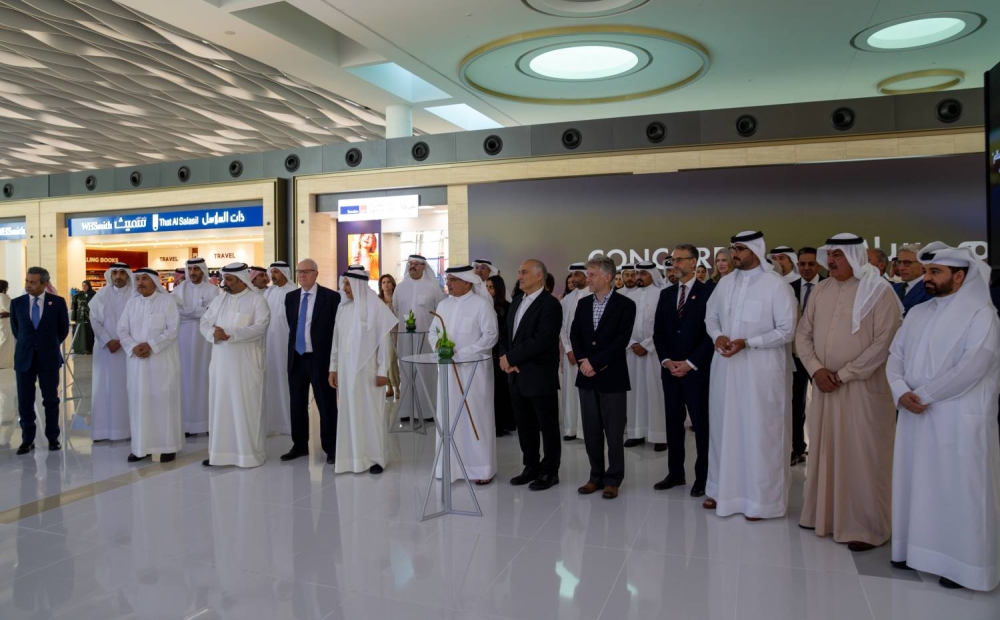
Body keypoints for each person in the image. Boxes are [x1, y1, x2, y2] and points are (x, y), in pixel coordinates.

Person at [888, 242, 1000, 591]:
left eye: (935, 272)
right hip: (914, 414)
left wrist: (924, 395)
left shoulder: (982, 314)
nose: (927, 278)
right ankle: (913, 551)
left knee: (958, 489)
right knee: (916, 484)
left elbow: (975, 365)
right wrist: (899, 390)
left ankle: (961, 566)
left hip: (957, 417)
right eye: (926, 271)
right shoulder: (919, 313)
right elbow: (895, 356)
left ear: (960, 276)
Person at [796, 233, 902, 550]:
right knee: (826, 450)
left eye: (838, 255)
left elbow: (884, 343)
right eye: (830, 255)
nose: (831, 261)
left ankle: (867, 527)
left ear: (855, 256)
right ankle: (823, 516)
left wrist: (843, 374)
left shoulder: (879, 291)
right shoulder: (821, 290)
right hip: (825, 386)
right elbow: (803, 334)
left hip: (863, 389)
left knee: (863, 456)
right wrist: (816, 369)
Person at [703, 231, 796, 520]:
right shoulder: (725, 283)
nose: (734, 254)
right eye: (733, 248)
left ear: (756, 250)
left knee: (760, 432)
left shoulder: (776, 285)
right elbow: (710, 317)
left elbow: (787, 330)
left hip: (761, 373)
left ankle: (761, 501)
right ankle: (722, 491)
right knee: (724, 429)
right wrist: (718, 336)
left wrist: (748, 342)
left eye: (740, 249)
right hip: (725, 369)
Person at [571, 255, 636, 500]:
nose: (587, 279)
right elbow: (575, 335)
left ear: (607, 277)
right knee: (591, 431)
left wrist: (594, 363)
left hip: (612, 377)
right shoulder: (583, 304)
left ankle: (613, 479)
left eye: (592, 275)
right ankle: (595, 476)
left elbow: (621, 341)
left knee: (614, 432)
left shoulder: (625, 305)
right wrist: (583, 361)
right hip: (586, 376)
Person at [653, 244, 715, 496]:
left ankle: (703, 477)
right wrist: (666, 360)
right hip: (670, 372)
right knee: (673, 424)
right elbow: (659, 332)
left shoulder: (709, 292)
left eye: (680, 260)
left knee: (701, 425)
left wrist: (690, 363)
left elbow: (712, 334)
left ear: (693, 262)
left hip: (697, 372)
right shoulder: (666, 294)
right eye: (673, 260)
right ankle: (675, 473)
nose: (675, 264)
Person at [429, 266, 499, 484]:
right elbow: (433, 332)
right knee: (449, 416)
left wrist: (462, 354)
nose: (448, 283)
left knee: (475, 416)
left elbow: (491, 335)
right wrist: (438, 345)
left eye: (453, 280)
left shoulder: (482, 305)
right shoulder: (443, 305)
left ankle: (481, 469)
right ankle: (449, 467)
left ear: (467, 282)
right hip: (448, 372)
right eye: (447, 279)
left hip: (474, 372)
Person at [200, 263, 270, 468]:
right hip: (221, 364)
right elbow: (204, 323)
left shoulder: (257, 300)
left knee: (246, 407)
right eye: (225, 279)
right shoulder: (219, 299)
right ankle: (219, 454)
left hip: (246, 365)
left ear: (241, 280)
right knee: (221, 406)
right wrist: (213, 333)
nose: (225, 283)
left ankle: (248, 454)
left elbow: (261, 327)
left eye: (229, 279)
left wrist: (230, 334)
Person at [501, 259, 563, 491]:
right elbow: (506, 335)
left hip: (539, 376)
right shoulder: (517, 301)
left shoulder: (550, 305)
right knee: (524, 425)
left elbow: (542, 340)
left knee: (547, 426)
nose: (519, 276)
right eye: (519, 272)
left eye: (524, 272)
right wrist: (504, 357)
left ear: (539, 276)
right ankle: (531, 466)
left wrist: (511, 358)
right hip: (516, 376)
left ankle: (550, 472)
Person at [329, 269, 395, 474]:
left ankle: (376, 459)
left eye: (348, 284)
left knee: (371, 413)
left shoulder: (376, 306)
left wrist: (383, 370)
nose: (344, 288)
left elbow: (384, 341)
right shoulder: (343, 308)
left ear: (359, 285)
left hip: (369, 370)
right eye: (344, 284)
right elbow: (336, 340)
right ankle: (352, 458)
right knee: (349, 412)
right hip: (346, 370)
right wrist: (333, 368)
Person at [118, 269, 182, 464]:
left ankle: (167, 447)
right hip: (137, 362)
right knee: (139, 402)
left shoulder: (167, 301)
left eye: (144, 278)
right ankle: (140, 447)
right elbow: (122, 329)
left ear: (155, 281)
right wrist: (133, 346)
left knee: (163, 401)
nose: (140, 282)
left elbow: (172, 330)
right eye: (137, 279)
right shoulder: (132, 303)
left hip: (162, 361)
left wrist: (151, 346)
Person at [282, 258, 341, 464]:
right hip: (297, 358)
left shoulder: (331, 298)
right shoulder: (290, 298)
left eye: (306, 271)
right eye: (299, 271)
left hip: (320, 359)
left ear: (316, 273)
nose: (302, 275)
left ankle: (331, 448)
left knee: (326, 404)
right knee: (297, 404)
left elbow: (336, 330)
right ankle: (299, 446)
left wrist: (334, 363)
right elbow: (292, 325)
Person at [11, 266, 70, 454]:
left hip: (49, 358)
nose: (28, 285)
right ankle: (27, 439)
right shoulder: (17, 303)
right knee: (25, 401)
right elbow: (16, 330)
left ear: (44, 284)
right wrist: (30, 344)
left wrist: (47, 344)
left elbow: (63, 329)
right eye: (27, 281)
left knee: (51, 400)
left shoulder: (57, 302)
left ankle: (53, 438)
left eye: (33, 282)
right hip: (24, 359)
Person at [393, 255, 446, 422]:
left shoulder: (433, 287)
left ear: (424, 267)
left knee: (426, 372)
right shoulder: (400, 288)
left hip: (427, 339)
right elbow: (396, 309)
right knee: (406, 371)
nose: (413, 266)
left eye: (417, 264)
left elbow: (440, 312)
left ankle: (428, 411)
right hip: (405, 340)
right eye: (411, 263)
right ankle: (406, 411)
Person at [624, 261, 668, 451]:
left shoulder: (661, 295)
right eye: (637, 273)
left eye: (643, 273)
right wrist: (633, 343)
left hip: (654, 353)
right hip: (632, 351)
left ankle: (659, 435)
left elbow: (663, 325)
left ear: (653, 275)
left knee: (655, 393)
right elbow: (623, 325)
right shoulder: (630, 296)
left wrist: (647, 345)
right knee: (634, 393)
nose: (638, 277)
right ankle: (636, 433)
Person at [173, 257, 219, 436]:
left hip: (204, 340)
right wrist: (200, 312)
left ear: (203, 270)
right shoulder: (178, 290)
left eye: (196, 269)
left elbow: (212, 313)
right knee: (184, 379)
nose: (193, 273)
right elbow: (176, 312)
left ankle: (205, 423)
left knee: (204, 377)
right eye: (190, 269)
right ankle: (185, 424)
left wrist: (189, 311)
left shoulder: (212, 290)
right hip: (183, 338)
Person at [89, 263, 134, 443]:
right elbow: (94, 320)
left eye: (122, 272)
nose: (118, 276)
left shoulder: (136, 294)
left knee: (128, 388)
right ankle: (103, 431)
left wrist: (125, 340)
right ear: (110, 275)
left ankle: (129, 430)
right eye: (115, 272)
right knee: (104, 388)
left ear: (128, 275)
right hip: (106, 350)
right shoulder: (101, 295)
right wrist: (108, 340)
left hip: (129, 350)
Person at [789, 247, 824, 465]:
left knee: (823, 404)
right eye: (802, 264)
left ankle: (823, 448)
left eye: (811, 264)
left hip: (822, 357)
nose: (806, 268)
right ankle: (797, 448)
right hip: (796, 355)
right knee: (796, 403)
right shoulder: (788, 288)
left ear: (818, 264)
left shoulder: (830, 285)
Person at [263, 261, 297, 436]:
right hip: (269, 345)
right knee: (271, 381)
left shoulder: (293, 292)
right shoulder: (268, 292)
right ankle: (271, 423)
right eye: (272, 272)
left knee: (286, 382)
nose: (273, 275)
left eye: (276, 272)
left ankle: (288, 424)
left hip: (285, 345)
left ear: (284, 273)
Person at [559, 264, 591, 441]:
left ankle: (586, 430)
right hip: (570, 354)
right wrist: (569, 349)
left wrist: (581, 352)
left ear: (586, 275)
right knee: (570, 392)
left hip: (588, 355)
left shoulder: (593, 295)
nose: (573, 279)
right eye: (572, 275)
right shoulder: (567, 299)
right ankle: (571, 429)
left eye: (577, 275)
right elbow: (562, 327)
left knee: (586, 393)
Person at [487, 275, 515, 435]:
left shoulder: (507, 307)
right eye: (486, 287)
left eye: (491, 287)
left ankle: (502, 424)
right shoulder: (483, 306)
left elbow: (507, 333)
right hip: (487, 354)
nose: (488, 290)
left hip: (500, 354)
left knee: (501, 390)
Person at [892, 244, 932, 316]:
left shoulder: (931, 290)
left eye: (907, 263)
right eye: (899, 262)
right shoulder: (893, 288)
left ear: (922, 264)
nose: (901, 268)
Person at [378, 274, 400, 399]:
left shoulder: (396, 301)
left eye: (388, 282)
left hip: (395, 333)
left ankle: (397, 387)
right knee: (384, 361)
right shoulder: (378, 301)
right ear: (381, 286)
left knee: (392, 360)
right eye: (383, 282)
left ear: (392, 284)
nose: (386, 284)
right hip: (382, 335)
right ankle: (389, 388)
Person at [70, 281, 95, 354]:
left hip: (91, 318)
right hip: (80, 318)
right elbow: (74, 308)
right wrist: (73, 319)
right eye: (82, 285)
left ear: (89, 286)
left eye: (85, 285)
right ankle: (80, 349)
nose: (84, 287)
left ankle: (90, 349)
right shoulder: (78, 295)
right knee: (80, 333)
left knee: (90, 333)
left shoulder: (94, 295)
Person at [0, 279, 14, 369]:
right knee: (4, 342)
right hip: (4, 323)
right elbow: (9, 308)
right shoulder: (2, 296)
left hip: (4, 322)